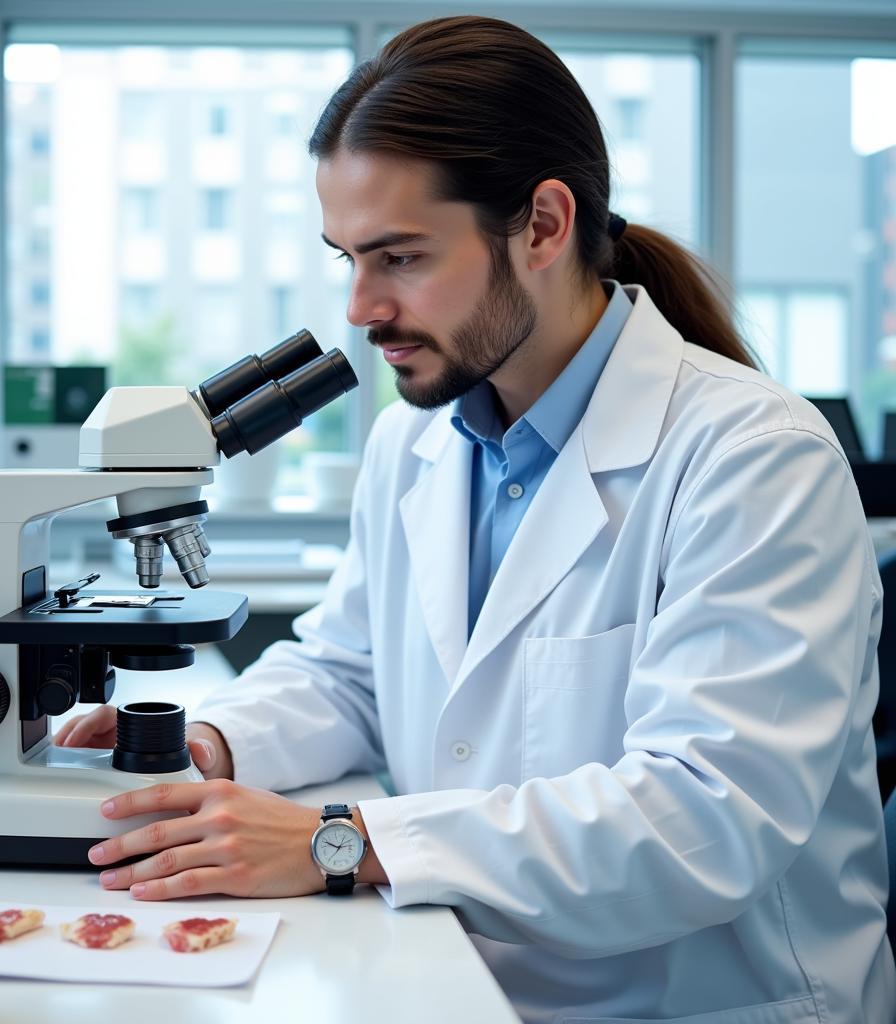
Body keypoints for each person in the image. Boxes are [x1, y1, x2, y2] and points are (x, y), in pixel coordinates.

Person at [55, 16, 896, 1022]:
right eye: (347, 258)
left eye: (400, 257)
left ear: (541, 224)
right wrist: (212, 746)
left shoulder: (753, 458)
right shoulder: (412, 444)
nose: (362, 308)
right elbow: (347, 674)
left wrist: (344, 838)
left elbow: (705, 817)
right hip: (450, 978)